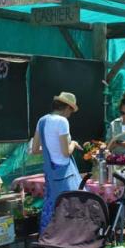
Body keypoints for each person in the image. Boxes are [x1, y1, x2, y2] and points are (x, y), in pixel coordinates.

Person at [32, 92, 82, 234]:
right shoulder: (62, 122)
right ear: (67, 108)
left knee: (51, 206)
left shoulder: (42, 120)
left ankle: (48, 243)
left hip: (50, 171)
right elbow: (66, 152)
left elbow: (35, 150)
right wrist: (73, 143)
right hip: (64, 173)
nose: (70, 114)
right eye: (71, 111)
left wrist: (50, 148)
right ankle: (68, 245)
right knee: (70, 207)